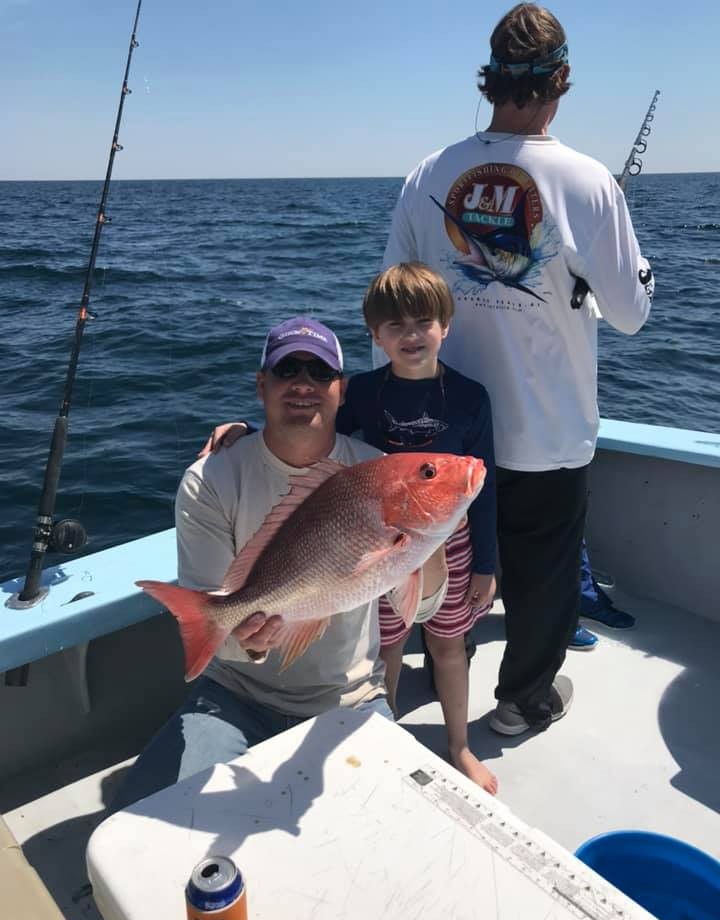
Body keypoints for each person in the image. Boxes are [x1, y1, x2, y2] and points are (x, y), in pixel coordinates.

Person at [378, 3, 653, 734]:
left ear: (490, 78)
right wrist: (630, 276)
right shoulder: (592, 183)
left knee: (452, 564)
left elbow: (389, 310)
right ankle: (521, 699)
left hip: (442, 433)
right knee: (544, 577)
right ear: (561, 79)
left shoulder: (427, 175)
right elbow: (631, 314)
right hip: (546, 439)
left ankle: (446, 668)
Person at [112, 318, 449, 811]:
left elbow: (423, 610)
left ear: (341, 389)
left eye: (320, 373)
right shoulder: (210, 480)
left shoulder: (376, 472)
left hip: (349, 699)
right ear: (261, 384)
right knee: (150, 828)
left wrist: (431, 535)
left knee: (385, 831)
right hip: (234, 697)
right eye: (288, 368)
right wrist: (243, 641)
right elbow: (218, 628)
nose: (303, 384)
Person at [335, 262, 498, 793]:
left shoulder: (472, 397)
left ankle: (460, 745)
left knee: (449, 647)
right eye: (395, 325)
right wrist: (245, 429)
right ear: (375, 336)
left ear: (445, 326)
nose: (410, 335)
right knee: (387, 648)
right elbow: (309, 439)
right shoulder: (359, 393)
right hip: (387, 551)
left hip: (451, 551)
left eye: (423, 321)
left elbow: (484, 488)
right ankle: (389, 736)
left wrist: (486, 564)